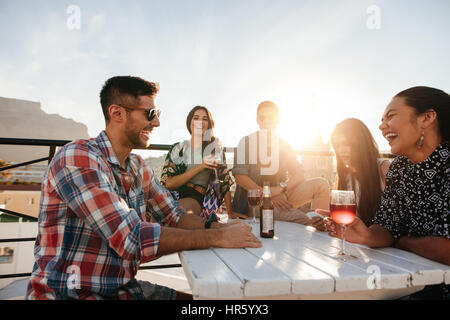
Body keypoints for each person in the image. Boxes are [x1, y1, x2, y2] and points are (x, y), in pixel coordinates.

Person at [25, 76, 261, 300]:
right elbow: (131, 239)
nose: (157, 122)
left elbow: (175, 215)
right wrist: (218, 236)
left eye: (157, 113)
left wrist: (223, 227)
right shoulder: (77, 158)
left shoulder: (138, 166)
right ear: (117, 113)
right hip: (69, 293)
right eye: (150, 114)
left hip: (122, 289)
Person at [320, 86, 450, 298]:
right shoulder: (400, 168)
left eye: (390, 116)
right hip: (412, 283)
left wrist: (403, 242)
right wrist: (367, 235)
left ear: (426, 118)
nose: (381, 126)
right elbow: (387, 227)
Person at [232, 100, 330, 225]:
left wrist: (280, 189)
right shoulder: (246, 142)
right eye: (262, 118)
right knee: (303, 219)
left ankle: (321, 223)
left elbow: (300, 174)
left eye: (271, 117)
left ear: (278, 119)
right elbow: (240, 177)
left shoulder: (284, 145)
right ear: (257, 120)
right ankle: (315, 225)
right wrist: (269, 195)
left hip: (280, 196)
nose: (266, 121)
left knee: (321, 185)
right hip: (254, 202)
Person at [160, 106, 247, 220]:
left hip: (196, 197)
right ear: (189, 122)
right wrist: (201, 166)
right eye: (196, 118)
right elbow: (168, 183)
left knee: (174, 214)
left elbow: (224, 180)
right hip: (173, 195)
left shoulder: (214, 149)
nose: (200, 122)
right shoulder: (178, 148)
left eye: (205, 119)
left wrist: (230, 212)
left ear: (209, 124)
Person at [311, 118, 391, 230]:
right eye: (337, 146)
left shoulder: (383, 168)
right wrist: (328, 223)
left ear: (361, 143)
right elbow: (349, 220)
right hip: (356, 243)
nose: (341, 150)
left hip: (382, 243)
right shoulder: (344, 176)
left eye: (347, 144)